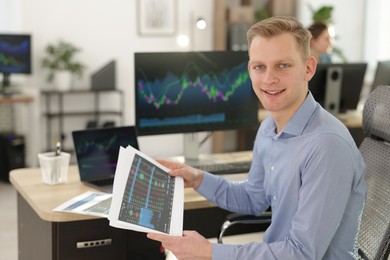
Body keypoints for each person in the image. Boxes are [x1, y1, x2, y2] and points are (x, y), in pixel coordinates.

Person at [147, 16, 367, 259]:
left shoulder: (327, 145)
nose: (268, 78)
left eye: (282, 65)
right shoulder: (269, 128)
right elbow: (253, 198)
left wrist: (210, 252)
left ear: (308, 68)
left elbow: (301, 254)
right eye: (259, 66)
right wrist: (198, 178)